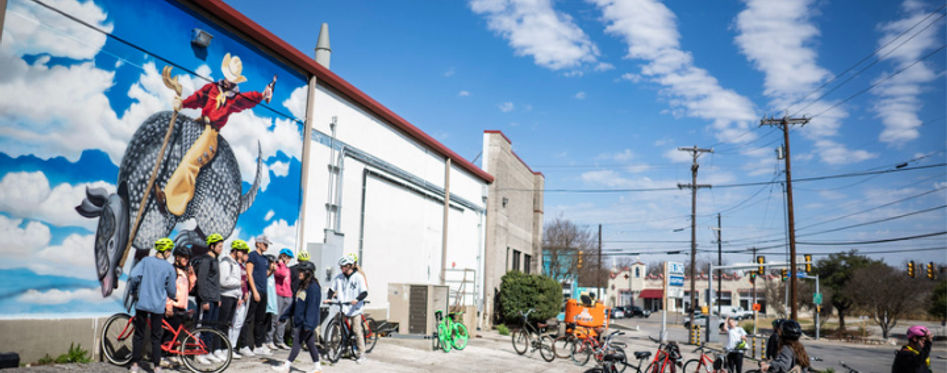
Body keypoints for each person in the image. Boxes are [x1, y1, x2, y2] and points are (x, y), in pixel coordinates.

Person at [156, 53, 275, 216]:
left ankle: (173, 203)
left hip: (211, 133)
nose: (228, 80)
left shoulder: (235, 99)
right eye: (227, 76)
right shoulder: (212, 88)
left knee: (191, 162)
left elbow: (248, 99)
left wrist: (262, 95)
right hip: (200, 122)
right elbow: (198, 98)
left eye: (232, 78)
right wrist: (182, 104)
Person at [127, 238, 177, 373]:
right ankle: (156, 367)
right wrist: (173, 296)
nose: (170, 254)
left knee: (139, 335)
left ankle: (135, 365)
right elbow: (172, 289)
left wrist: (133, 290)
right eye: (169, 251)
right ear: (166, 251)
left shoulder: (145, 261)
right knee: (156, 337)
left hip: (142, 303)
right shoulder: (169, 267)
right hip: (158, 306)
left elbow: (133, 276)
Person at [273, 261, 322, 373]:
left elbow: (312, 307)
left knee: (297, 343)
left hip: (307, 322)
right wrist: (284, 316)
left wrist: (308, 324)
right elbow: (295, 304)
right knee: (310, 344)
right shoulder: (303, 286)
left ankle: (287, 366)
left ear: (308, 273)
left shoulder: (313, 288)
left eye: (301, 271)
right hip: (301, 321)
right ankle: (318, 367)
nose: (298, 273)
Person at [325, 255, 368, 363]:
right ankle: (333, 350)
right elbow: (331, 289)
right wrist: (329, 298)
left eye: (343, 266)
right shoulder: (339, 277)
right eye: (341, 266)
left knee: (356, 330)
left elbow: (364, 292)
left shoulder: (358, 277)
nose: (341, 268)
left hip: (355, 309)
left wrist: (357, 299)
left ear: (349, 266)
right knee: (336, 329)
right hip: (343, 307)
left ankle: (361, 353)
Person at [160, 243, 194, 368]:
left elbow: (189, 289)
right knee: (168, 333)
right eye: (183, 256)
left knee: (175, 334)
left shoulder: (183, 272)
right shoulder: (172, 270)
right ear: (177, 257)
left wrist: (191, 275)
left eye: (187, 257)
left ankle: (171, 356)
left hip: (181, 306)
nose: (186, 259)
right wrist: (168, 306)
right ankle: (162, 356)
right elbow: (168, 289)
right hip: (173, 306)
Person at [193, 233, 224, 365]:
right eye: (219, 246)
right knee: (203, 326)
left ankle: (207, 351)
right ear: (212, 246)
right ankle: (198, 352)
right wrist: (204, 300)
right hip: (206, 299)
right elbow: (202, 281)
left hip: (214, 298)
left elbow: (215, 282)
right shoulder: (206, 260)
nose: (221, 248)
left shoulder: (215, 260)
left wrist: (218, 297)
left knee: (212, 326)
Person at [241, 235, 272, 356]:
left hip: (263, 292)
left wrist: (272, 271)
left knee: (260, 319)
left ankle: (258, 345)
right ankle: (244, 345)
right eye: (264, 243)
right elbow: (249, 274)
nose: (266, 246)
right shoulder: (252, 256)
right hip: (255, 291)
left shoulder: (264, 259)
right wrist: (254, 291)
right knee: (248, 319)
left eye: (267, 244)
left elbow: (264, 275)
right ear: (258, 243)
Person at [220, 239, 248, 359]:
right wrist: (238, 283)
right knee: (222, 325)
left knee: (227, 325)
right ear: (235, 250)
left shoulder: (236, 264)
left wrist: (239, 295)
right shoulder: (226, 262)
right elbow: (223, 281)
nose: (243, 254)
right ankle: (218, 349)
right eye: (242, 251)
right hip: (226, 296)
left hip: (234, 296)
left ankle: (225, 349)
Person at [272, 248, 294, 349]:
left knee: (283, 320)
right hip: (279, 294)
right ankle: (270, 340)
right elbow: (281, 274)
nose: (289, 260)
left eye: (290, 258)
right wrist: (281, 263)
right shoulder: (277, 266)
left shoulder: (288, 268)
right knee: (275, 318)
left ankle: (280, 340)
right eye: (287, 257)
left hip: (288, 295)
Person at [264, 254, 280, 350]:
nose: (274, 264)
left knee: (269, 322)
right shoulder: (267, 272)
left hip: (272, 301)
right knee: (263, 322)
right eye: (273, 263)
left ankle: (267, 342)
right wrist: (272, 270)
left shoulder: (273, 274)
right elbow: (265, 276)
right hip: (266, 300)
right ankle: (263, 342)